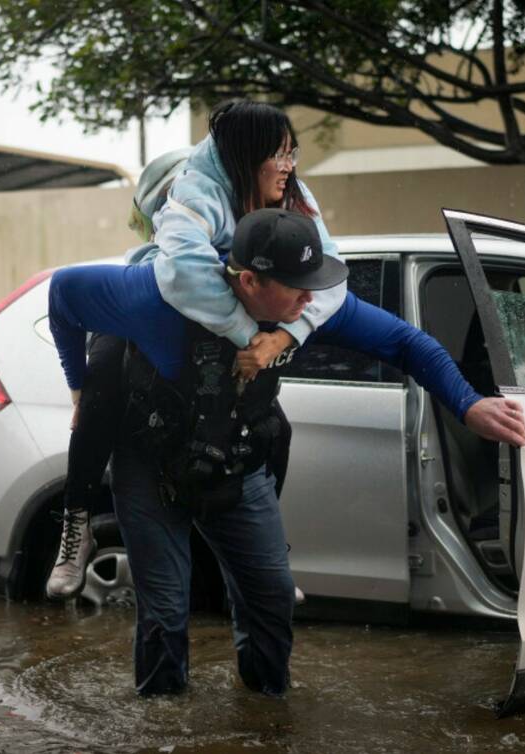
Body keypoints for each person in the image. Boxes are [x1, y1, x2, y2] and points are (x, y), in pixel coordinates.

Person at [48, 208, 525, 696]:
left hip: (237, 461)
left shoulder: (305, 307)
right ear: (251, 280)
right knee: (166, 612)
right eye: (298, 284)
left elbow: (407, 343)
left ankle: (266, 712)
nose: (311, 296)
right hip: (149, 465)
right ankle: (164, 722)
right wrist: (77, 387)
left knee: (272, 599)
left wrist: (468, 405)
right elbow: (63, 293)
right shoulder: (156, 295)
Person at [46, 100, 346, 600]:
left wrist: (285, 336)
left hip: (235, 363)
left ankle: (270, 550)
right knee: (101, 386)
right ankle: (75, 525)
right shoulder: (191, 197)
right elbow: (180, 272)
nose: (291, 166)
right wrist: (246, 332)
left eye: (294, 153)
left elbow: (333, 269)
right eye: (281, 155)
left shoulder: (292, 192)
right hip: (162, 325)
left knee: (277, 429)